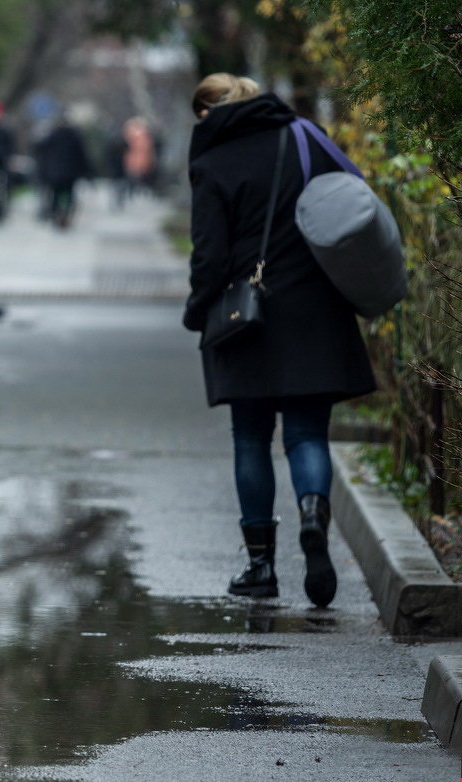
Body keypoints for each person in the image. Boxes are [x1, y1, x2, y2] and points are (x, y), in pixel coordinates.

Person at [182, 73, 375, 607]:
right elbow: (351, 205)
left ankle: (261, 567)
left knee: (250, 436)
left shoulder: (213, 162)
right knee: (308, 433)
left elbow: (210, 257)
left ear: (210, 112)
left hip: (247, 316)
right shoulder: (306, 137)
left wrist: (198, 310)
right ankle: (313, 513)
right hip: (316, 309)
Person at [34, 115, 90, 227]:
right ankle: (67, 213)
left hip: (55, 171)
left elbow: (42, 151)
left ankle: (56, 213)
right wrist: (85, 171)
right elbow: (82, 154)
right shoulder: (75, 136)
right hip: (71, 172)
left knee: (55, 192)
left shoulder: (53, 135)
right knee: (69, 193)